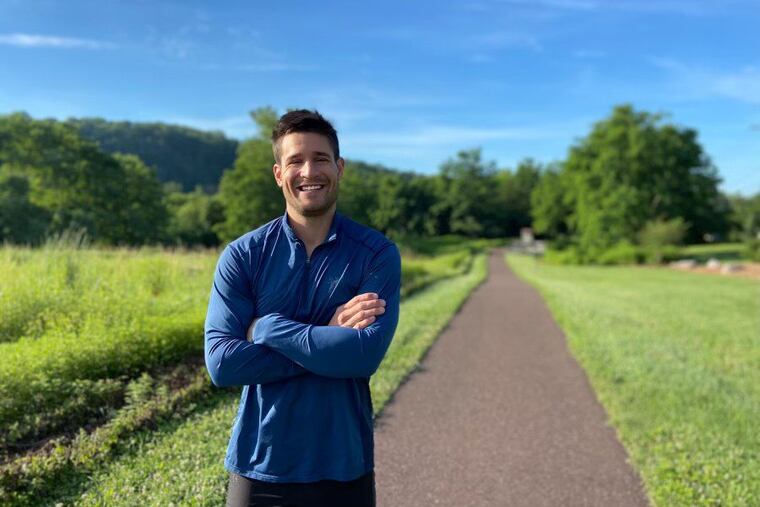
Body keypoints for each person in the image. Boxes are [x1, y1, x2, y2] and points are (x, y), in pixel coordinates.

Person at [204, 109, 401, 507]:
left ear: (339, 168)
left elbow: (363, 355)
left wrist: (267, 329)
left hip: (343, 465)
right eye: (295, 161)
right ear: (279, 174)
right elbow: (223, 364)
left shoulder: (376, 254)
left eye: (320, 158)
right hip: (260, 465)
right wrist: (326, 338)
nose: (309, 171)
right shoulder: (243, 255)